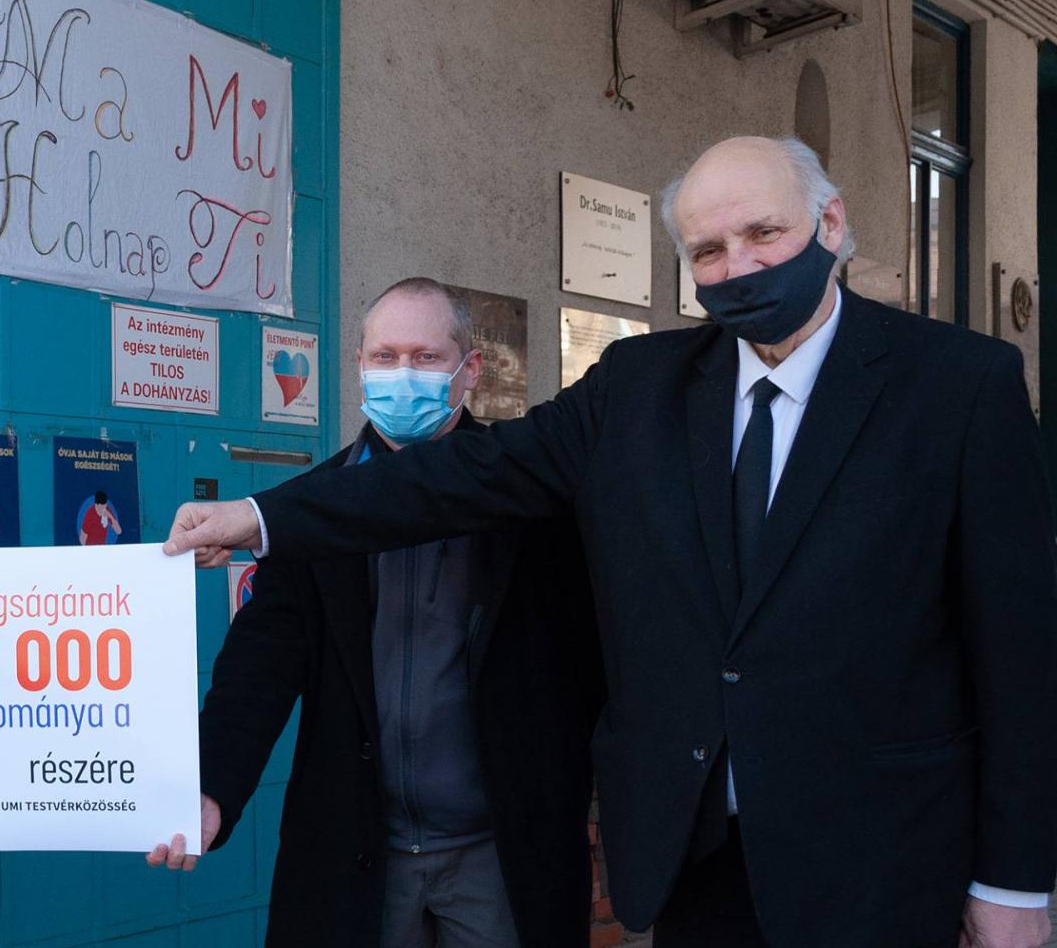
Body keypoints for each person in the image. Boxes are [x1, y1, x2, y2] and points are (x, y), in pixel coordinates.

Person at [165, 137, 1057, 948]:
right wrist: (261, 518)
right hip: (696, 860)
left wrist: (1013, 880)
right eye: (708, 251)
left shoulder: (959, 386)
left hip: (880, 862)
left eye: (763, 234)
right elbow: (463, 474)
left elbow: (1019, 654)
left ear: (830, 224)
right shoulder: (638, 388)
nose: (739, 266)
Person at [147, 278, 603, 947]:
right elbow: (260, 663)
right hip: (358, 853)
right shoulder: (306, 510)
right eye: (385, 357)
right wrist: (212, 785)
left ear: (471, 369)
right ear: (359, 365)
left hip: (501, 856)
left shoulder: (534, 505)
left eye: (426, 357)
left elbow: (591, 660)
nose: (402, 375)